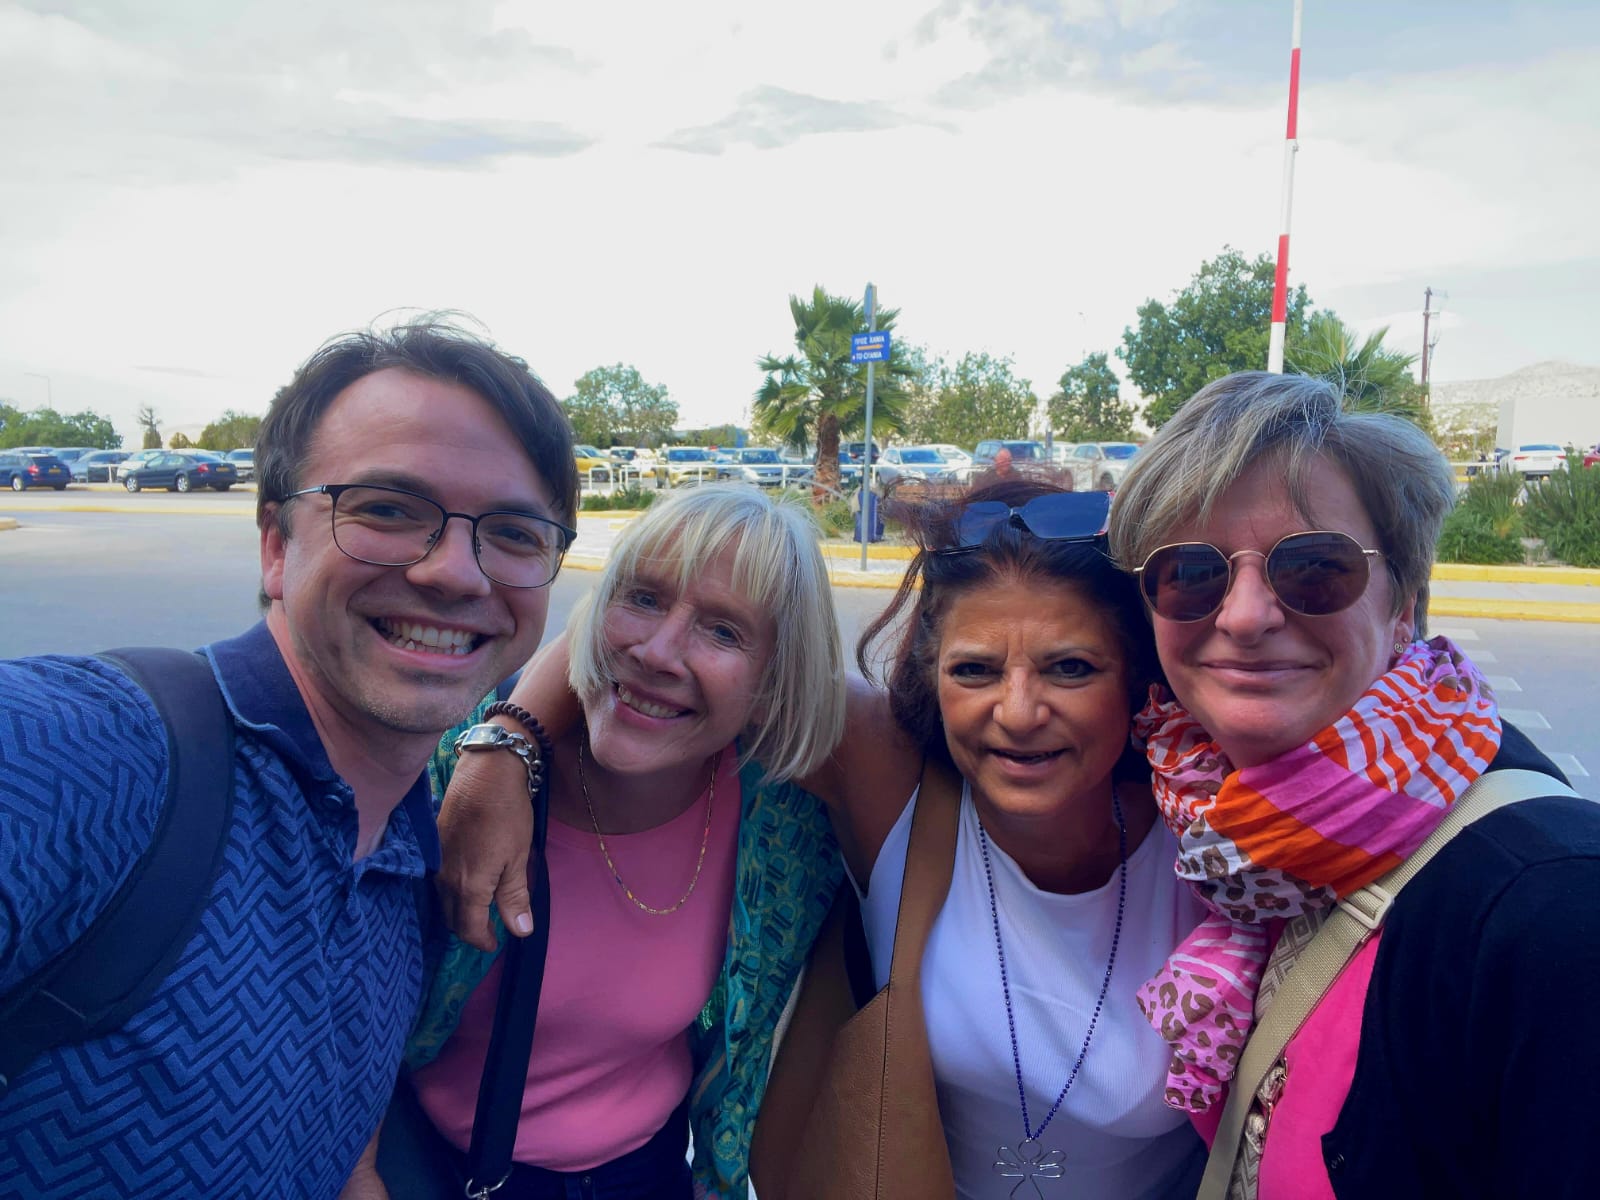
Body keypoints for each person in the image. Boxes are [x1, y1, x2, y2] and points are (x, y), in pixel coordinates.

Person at [438, 473, 1208, 1199]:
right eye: (973, 670)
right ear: (932, 677)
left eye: (1070, 667)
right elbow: (629, 652)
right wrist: (506, 742)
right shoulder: (900, 789)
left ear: (1137, 673)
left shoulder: (1215, 837)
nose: (1017, 712)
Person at [0, 319, 578, 1198]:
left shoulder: (412, 857)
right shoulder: (89, 755)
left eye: (515, 533)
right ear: (276, 545)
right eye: (388, 510)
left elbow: (348, 1163)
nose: (457, 573)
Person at [1108, 370, 1600, 1198]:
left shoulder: (1552, 910)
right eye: (1192, 573)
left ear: (1403, 602)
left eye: (1313, 568)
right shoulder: (1213, 835)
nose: (1245, 616)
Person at [370, 484, 847, 1199]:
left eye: (723, 632)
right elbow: (330, 1005)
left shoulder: (782, 823)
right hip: (438, 1171)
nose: (657, 652)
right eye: (643, 598)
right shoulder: (455, 773)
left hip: (651, 1174)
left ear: (775, 682)